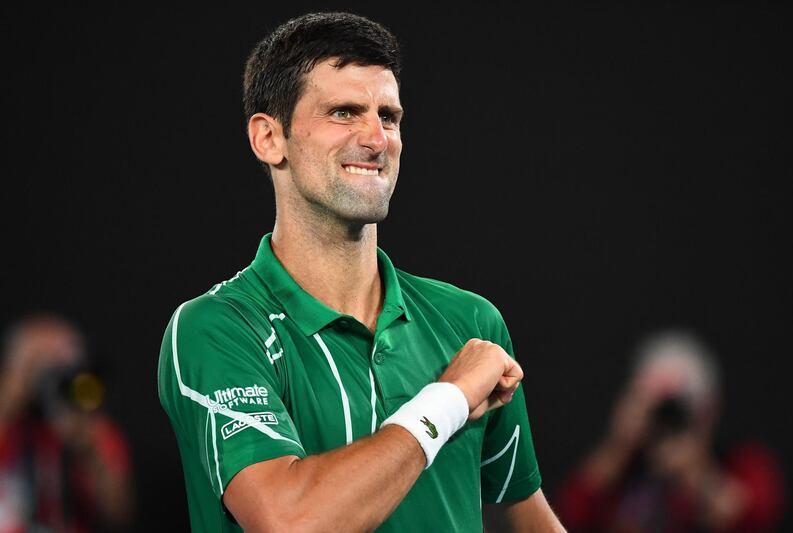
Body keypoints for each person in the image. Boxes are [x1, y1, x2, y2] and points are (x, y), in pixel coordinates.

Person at [157, 11, 565, 533]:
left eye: (389, 117)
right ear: (268, 138)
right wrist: (448, 399)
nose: (377, 139)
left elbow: (529, 519)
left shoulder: (471, 323)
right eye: (345, 112)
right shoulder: (215, 328)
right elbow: (289, 520)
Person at [555, 329, 785, 532]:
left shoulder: (743, 463)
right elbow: (569, 515)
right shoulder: (622, 473)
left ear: (710, 409)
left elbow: (749, 516)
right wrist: (618, 444)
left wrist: (695, 474)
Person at [0, 313, 134, 533]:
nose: (49, 377)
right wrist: (12, 399)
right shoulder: (9, 421)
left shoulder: (90, 425)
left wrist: (88, 448)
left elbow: (118, 512)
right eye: (37, 363)